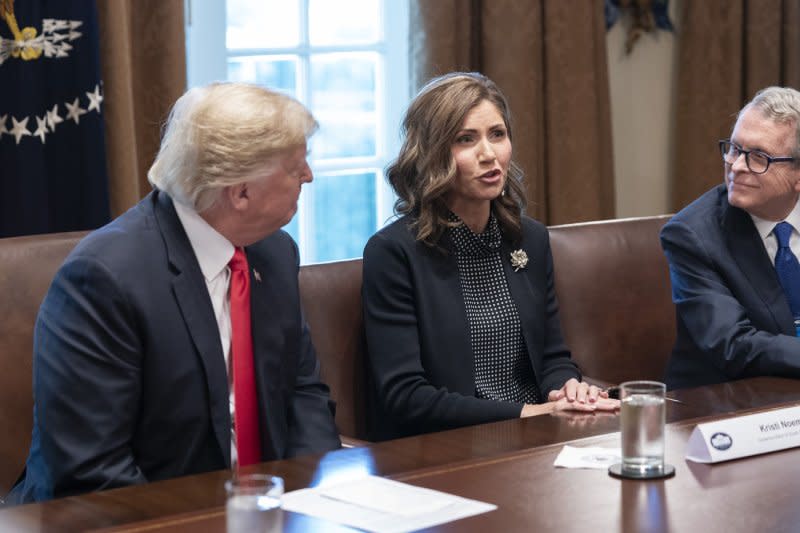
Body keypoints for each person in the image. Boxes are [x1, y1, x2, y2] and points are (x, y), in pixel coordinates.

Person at [7, 82, 341, 504]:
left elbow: (303, 392)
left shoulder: (273, 252)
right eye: (296, 167)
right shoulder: (104, 279)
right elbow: (92, 470)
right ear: (240, 192)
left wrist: (303, 499)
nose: (308, 176)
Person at [362, 72, 618, 440]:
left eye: (497, 135)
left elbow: (552, 356)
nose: (489, 154)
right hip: (448, 447)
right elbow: (406, 397)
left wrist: (566, 389)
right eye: (466, 140)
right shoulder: (394, 252)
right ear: (432, 154)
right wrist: (531, 412)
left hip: (536, 434)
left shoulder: (529, 238)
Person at [661, 86, 800, 389]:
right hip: (720, 407)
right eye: (735, 149)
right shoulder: (691, 235)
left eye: (758, 157)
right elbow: (734, 345)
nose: (736, 167)